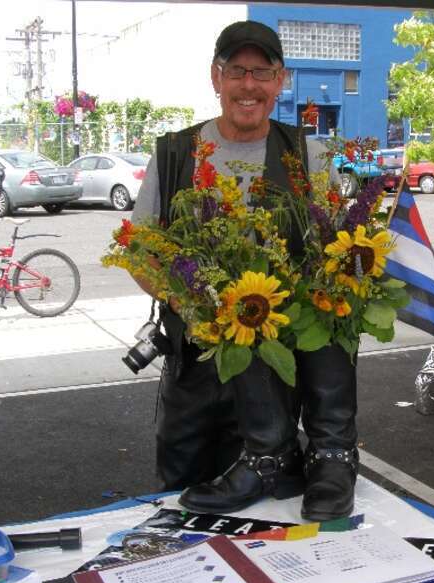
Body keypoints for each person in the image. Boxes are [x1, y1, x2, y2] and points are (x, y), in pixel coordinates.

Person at [131, 21, 354, 521]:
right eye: (236, 71)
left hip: (278, 367)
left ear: (280, 80)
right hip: (198, 369)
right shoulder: (175, 154)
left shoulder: (309, 156)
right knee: (183, 501)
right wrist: (189, 305)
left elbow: (340, 253)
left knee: (270, 516)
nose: (248, 85)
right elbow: (141, 251)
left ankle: (322, 458)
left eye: (261, 72)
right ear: (216, 77)